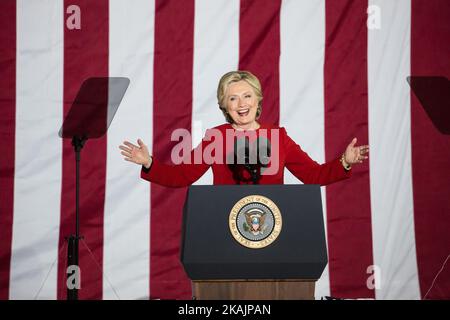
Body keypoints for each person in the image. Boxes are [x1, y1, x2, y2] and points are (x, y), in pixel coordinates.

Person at [119, 71, 369, 187]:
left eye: (247, 96)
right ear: (224, 105)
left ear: (258, 100)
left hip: (273, 226)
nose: (241, 104)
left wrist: (344, 162)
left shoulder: (278, 137)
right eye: (233, 98)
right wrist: (150, 162)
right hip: (226, 226)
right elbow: (181, 177)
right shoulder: (216, 138)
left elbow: (313, 176)